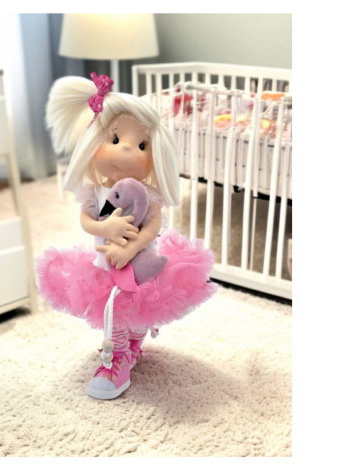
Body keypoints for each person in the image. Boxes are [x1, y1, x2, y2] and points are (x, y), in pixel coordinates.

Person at [35, 72, 217, 400]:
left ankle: (133, 345)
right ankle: (116, 357)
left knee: (139, 313)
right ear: (94, 143)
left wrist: (131, 248)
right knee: (114, 315)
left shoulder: (150, 194)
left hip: (142, 267)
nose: (129, 149)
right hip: (105, 268)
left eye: (142, 145)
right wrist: (106, 228)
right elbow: (86, 220)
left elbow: (153, 228)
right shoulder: (95, 191)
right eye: (116, 139)